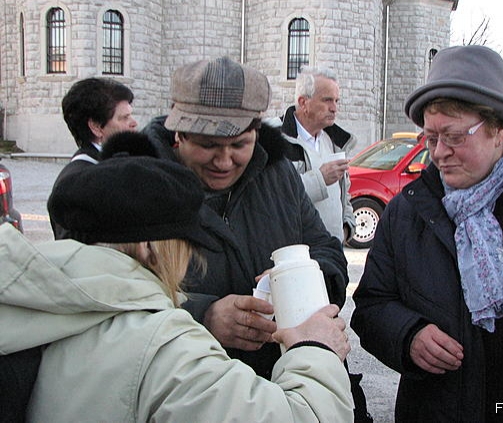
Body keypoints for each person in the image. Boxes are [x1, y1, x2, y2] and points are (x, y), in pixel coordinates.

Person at [0, 148, 353, 422]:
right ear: (147, 248)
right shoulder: (162, 349)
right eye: (186, 246)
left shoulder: (26, 297)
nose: (187, 262)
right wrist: (315, 349)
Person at [351, 45, 503, 422]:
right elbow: (372, 306)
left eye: (453, 137)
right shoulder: (408, 211)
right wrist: (409, 335)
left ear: (499, 130)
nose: (438, 153)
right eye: (430, 138)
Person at [142, 57, 349, 379]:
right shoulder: (139, 187)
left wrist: (305, 281)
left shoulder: (278, 173)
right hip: (192, 387)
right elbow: (115, 301)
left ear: (256, 132)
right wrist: (202, 316)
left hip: (284, 380)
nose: (224, 162)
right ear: (178, 133)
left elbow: (326, 249)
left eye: (239, 144)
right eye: (208, 145)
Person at [49, 77, 138, 239]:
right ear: (96, 126)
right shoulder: (79, 183)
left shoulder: (107, 167)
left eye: (131, 115)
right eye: (124, 118)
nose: (134, 123)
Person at [278, 66, 356, 243]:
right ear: (303, 102)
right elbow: (273, 197)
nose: (334, 108)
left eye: (336, 101)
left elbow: (345, 195)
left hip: (332, 253)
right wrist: (319, 179)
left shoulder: (335, 142)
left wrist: (345, 228)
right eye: (327, 100)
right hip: (296, 254)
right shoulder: (275, 139)